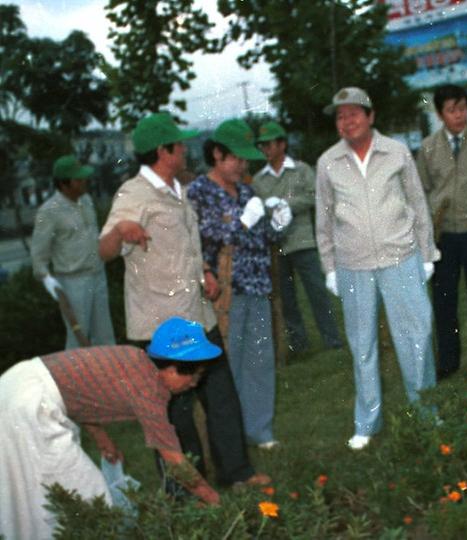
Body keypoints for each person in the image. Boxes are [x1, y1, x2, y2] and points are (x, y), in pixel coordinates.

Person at [98, 112, 268, 490]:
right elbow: (104, 249)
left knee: (221, 396)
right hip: (162, 326)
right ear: (163, 151)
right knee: (174, 416)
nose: (186, 149)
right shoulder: (133, 194)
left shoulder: (180, 190)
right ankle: (186, 493)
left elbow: (186, 247)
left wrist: (205, 271)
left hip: (197, 314)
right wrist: (122, 231)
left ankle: (237, 474)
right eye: (180, 144)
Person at [0, 317, 223, 540]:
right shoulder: (149, 390)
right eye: (194, 376)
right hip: (30, 406)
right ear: (173, 368)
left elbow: (82, 392)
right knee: (87, 493)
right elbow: (173, 458)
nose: (193, 384)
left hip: (17, 384)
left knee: (34, 489)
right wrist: (212, 498)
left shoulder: (135, 358)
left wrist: (101, 438)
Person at [316, 87, 440, 450]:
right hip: (352, 265)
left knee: (415, 337)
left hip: (400, 257)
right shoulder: (328, 163)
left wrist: (427, 254)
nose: (347, 121)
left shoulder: (397, 152)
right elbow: (323, 220)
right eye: (340, 116)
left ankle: (427, 413)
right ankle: (367, 422)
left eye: (354, 113)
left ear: (370, 117)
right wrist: (329, 267)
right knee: (362, 345)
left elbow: (417, 203)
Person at [187, 118, 292, 450]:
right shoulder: (199, 192)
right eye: (237, 158)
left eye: (247, 160)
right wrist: (244, 222)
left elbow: (262, 237)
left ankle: (260, 430)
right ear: (217, 154)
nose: (243, 166)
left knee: (259, 360)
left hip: (256, 285)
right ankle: (229, 435)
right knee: (226, 364)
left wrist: (277, 223)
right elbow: (209, 237)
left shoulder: (247, 189)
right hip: (224, 291)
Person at [416, 84, 467, 380]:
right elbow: (421, 191)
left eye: (462, 108)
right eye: (451, 110)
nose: (459, 115)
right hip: (443, 236)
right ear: (440, 114)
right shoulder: (427, 149)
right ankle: (448, 361)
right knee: (444, 300)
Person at [252, 121, 342, 353]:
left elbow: (315, 196)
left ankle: (332, 339)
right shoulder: (259, 180)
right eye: (261, 145)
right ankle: (299, 345)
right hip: (277, 246)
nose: (265, 149)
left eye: (269, 144)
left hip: (303, 241)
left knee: (317, 294)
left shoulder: (301, 170)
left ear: (282, 144)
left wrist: (288, 205)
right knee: (287, 300)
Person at [30, 154, 115, 349]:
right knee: (77, 338)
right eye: (79, 179)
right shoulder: (49, 211)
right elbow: (38, 252)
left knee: (105, 335)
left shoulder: (86, 200)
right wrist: (46, 278)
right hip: (72, 282)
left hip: (97, 274)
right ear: (64, 184)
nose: (85, 182)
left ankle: (108, 376)